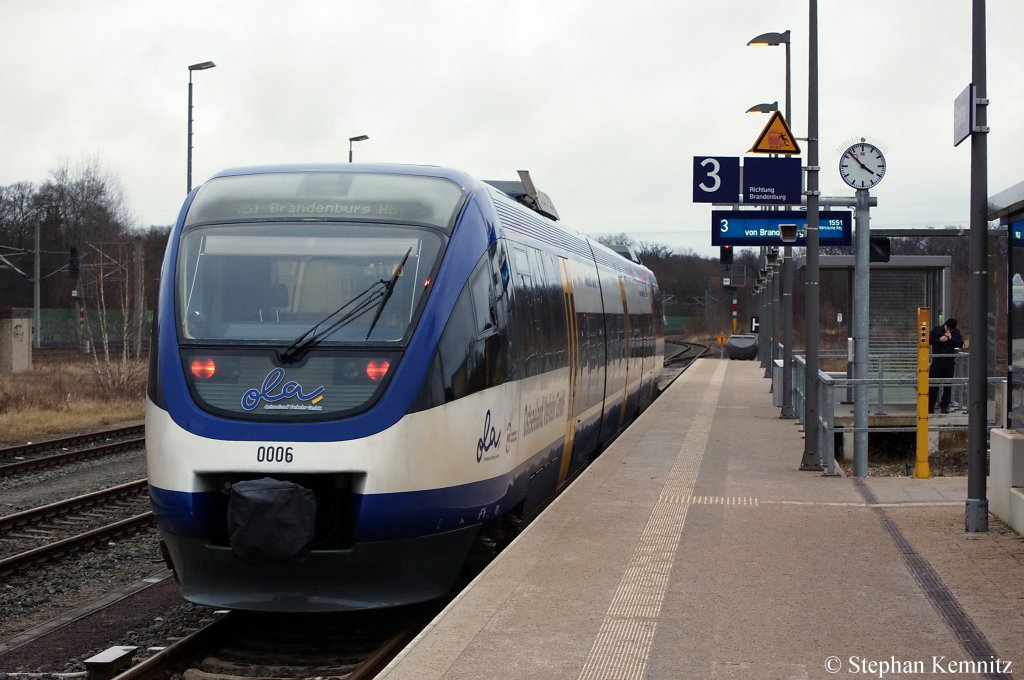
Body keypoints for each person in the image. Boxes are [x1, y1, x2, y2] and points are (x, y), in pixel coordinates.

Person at [928, 318, 964, 414]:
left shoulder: (956, 332)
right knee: (934, 384)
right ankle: (930, 406)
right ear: (946, 325)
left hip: (949, 362)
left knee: (948, 384)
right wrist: (939, 340)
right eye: (949, 329)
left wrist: (951, 338)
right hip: (937, 362)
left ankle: (945, 406)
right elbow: (928, 340)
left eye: (952, 330)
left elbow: (960, 343)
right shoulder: (937, 330)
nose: (950, 331)